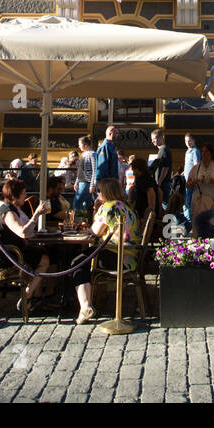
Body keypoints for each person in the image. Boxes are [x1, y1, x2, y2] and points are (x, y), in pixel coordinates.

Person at [71, 178, 137, 324]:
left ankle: (85, 306)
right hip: (130, 257)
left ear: (106, 192)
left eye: (99, 191)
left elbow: (95, 231)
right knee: (82, 260)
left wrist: (95, 211)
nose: (97, 194)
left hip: (116, 256)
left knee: (78, 262)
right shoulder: (126, 207)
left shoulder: (109, 207)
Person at [0, 179, 49, 313]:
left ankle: (35, 297)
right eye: (23, 193)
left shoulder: (8, 208)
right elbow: (23, 232)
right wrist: (36, 215)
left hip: (8, 252)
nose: (25, 196)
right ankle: (27, 296)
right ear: (15, 195)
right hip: (4, 256)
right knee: (44, 260)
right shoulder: (7, 212)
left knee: (42, 253)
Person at [188, 143, 214, 220]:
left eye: (206, 151)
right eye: (202, 151)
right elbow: (188, 185)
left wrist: (212, 180)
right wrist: (197, 180)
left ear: (211, 153)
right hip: (198, 200)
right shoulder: (196, 167)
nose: (204, 154)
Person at [126, 155, 159, 224]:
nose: (133, 173)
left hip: (143, 217)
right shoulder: (150, 178)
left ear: (137, 169)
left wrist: (150, 214)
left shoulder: (143, 180)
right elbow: (160, 192)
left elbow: (151, 192)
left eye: (133, 170)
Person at [147, 128, 173, 202]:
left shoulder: (163, 149)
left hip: (163, 184)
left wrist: (159, 183)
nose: (152, 141)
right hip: (162, 184)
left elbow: (165, 168)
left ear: (161, 138)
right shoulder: (162, 150)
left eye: (154, 138)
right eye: (152, 139)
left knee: (164, 204)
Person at [181, 135, 201, 220]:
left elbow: (196, 165)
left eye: (190, 140)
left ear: (194, 141)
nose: (188, 143)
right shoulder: (187, 151)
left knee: (188, 200)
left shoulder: (195, 151)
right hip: (185, 178)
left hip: (191, 180)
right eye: (186, 141)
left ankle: (188, 219)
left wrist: (193, 177)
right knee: (185, 198)